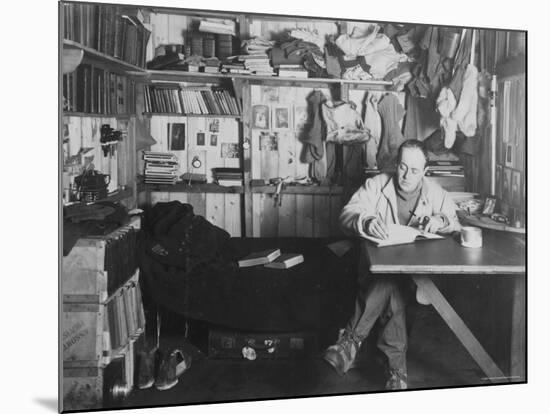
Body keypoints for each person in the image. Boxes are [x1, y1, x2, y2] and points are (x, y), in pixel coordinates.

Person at [323, 139, 460, 390]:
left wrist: (441, 220)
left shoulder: (435, 192)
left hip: (417, 277)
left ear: (425, 172)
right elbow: (348, 213)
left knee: (391, 283)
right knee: (391, 285)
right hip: (380, 271)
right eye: (403, 167)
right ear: (396, 164)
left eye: (415, 170)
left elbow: (454, 220)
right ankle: (397, 373)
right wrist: (365, 220)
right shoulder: (377, 184)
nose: (407, 175)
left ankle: (350, 342)